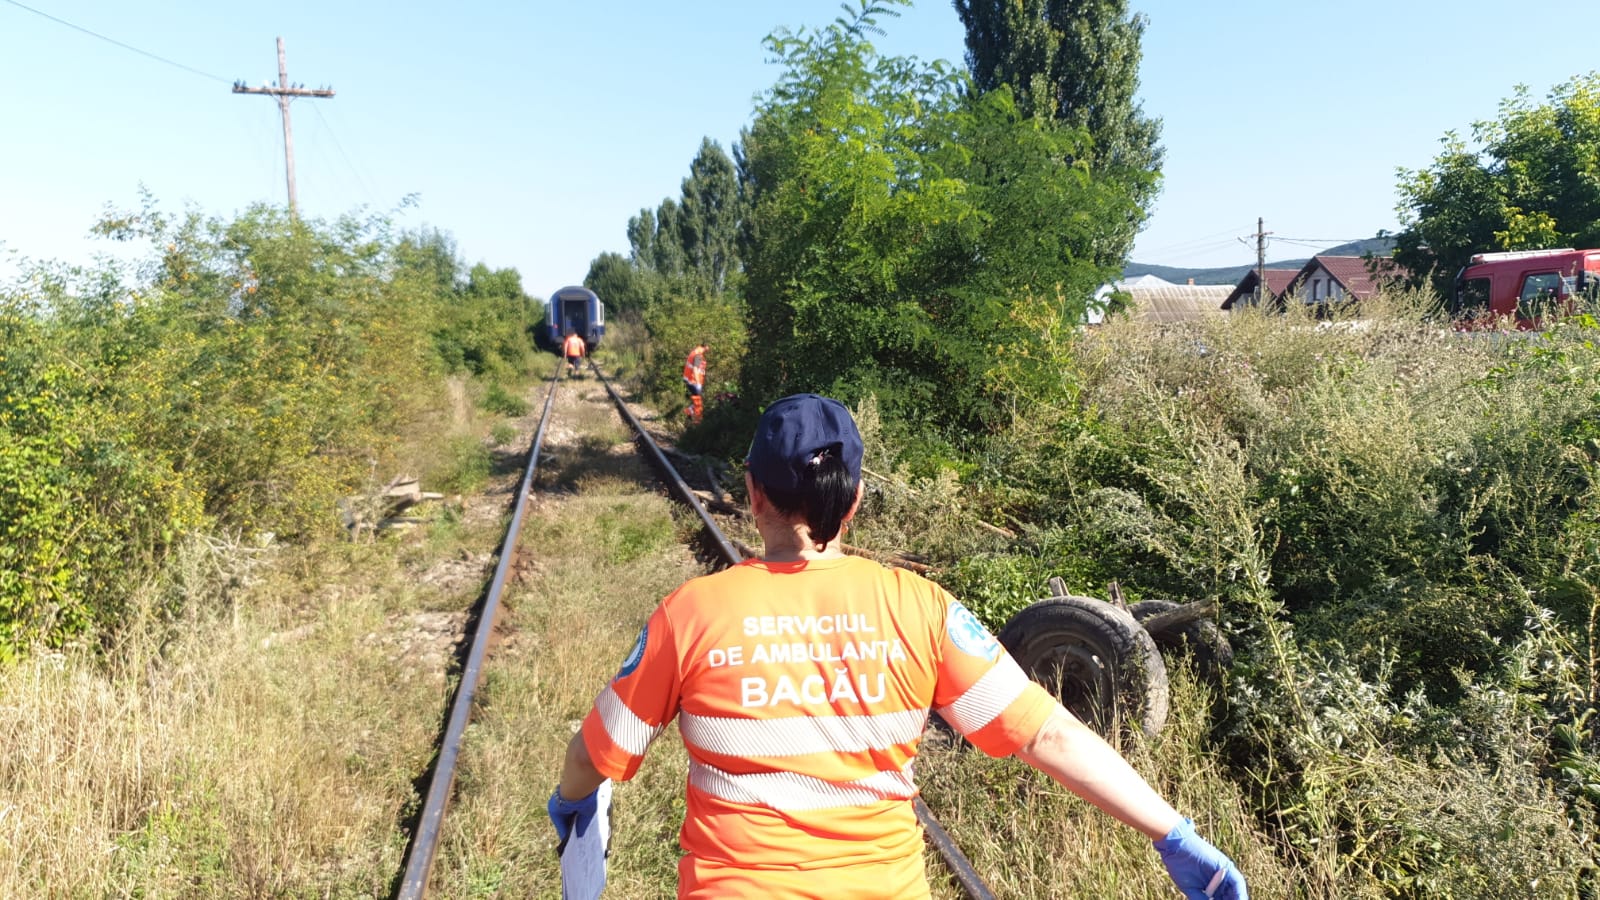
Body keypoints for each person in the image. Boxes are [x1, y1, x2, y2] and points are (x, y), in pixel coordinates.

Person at [549, 394, 1248, 899]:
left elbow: (595, 755)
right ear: (853, 500)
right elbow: (1049, 735)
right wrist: (1173, 834)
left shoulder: (691, 614)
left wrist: (573, 803)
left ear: (753, 493)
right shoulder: (922, 608)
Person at [682, 342, 707, 423]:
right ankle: (697, 421)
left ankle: (689, 412)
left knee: (697, 402)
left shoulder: (694, 352)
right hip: (693, 382)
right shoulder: (698, 355)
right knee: (698, 404)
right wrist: (698, 383)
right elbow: (695, 369)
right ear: (706, 346)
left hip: (690, 381)